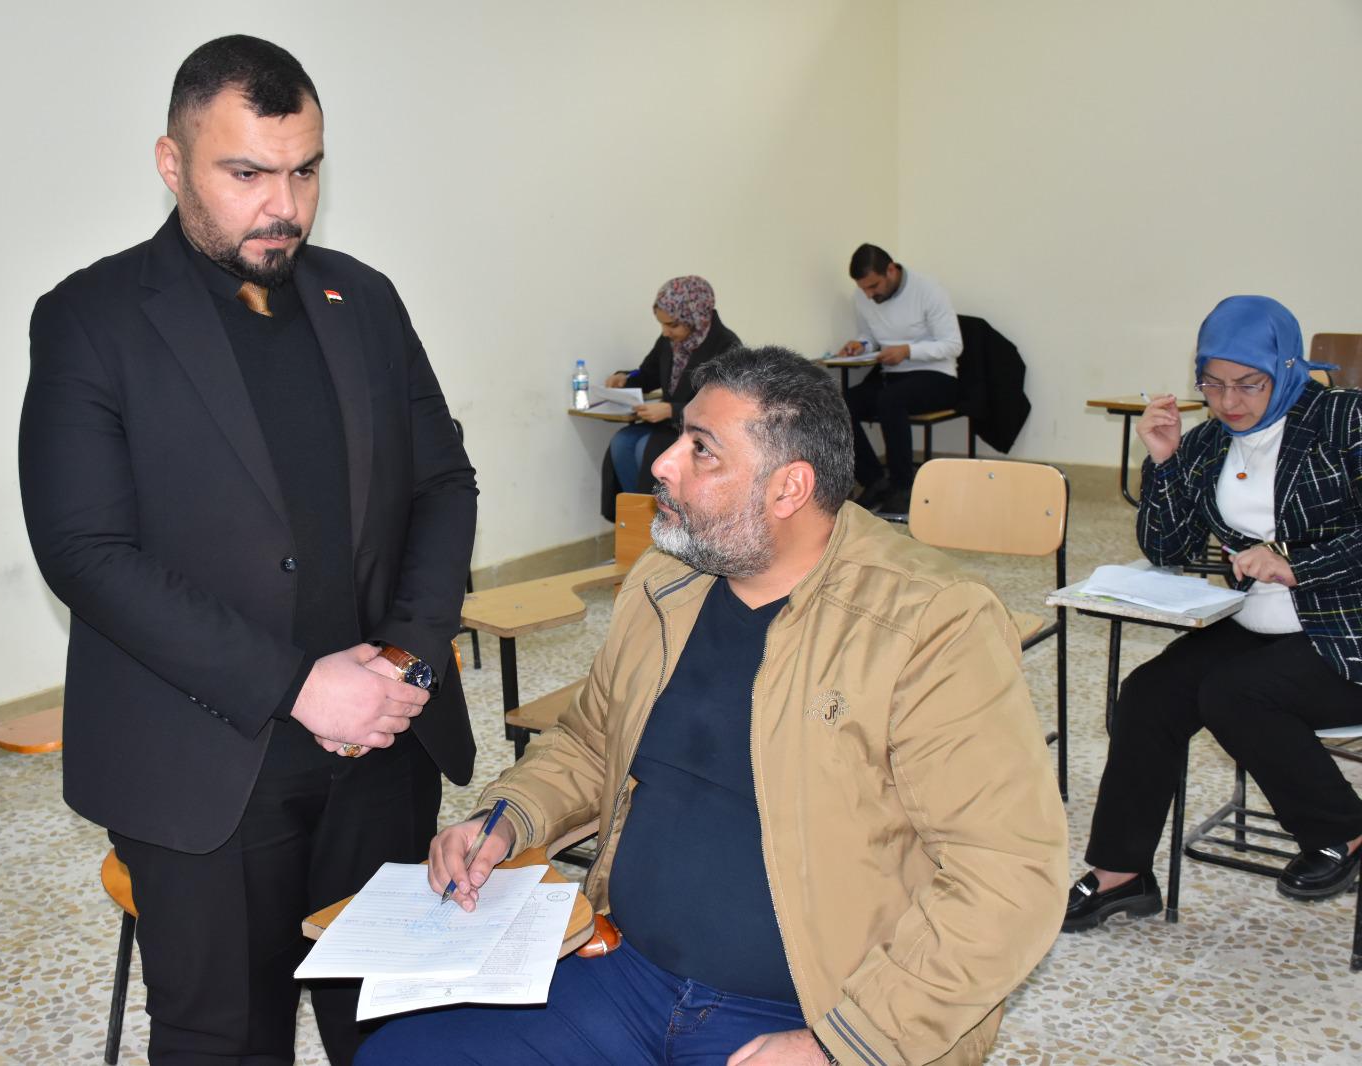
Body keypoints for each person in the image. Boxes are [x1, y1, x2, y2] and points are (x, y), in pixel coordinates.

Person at [359, 346, 1067, 1066]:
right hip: (626, 974)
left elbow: (1008, 876)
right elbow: (591, 741)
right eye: (679, 438)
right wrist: (507, 818)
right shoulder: (667, 581)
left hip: (815, 1011)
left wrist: (838, 1045)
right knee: (398, 1057)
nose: (664, 464)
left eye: (701, 449)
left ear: (788, 489)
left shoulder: (930, 624)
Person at [18, 35, 477, 1066]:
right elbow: (85, 550)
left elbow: (444, 484)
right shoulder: (92, 319)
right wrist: (297, 685)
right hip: (206, 760)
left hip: (381, 742)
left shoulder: (364, 299)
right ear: (171, 163)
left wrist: (405, 654)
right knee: (226, 1038)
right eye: (247, 174)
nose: (285, 205)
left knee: (392, 1025)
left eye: (305, 171)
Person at [1065, 296, 1362, 933]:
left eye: (1249, 384)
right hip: (1261, 626)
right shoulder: (1207, 442)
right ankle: (1122, 873)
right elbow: (1166, 547)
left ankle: (1344, 829)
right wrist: (1164, 461)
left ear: (1286, 368)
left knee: (1235, 693)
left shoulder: (1345, 419)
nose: (1229, 401)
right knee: (1149, 694)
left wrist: (1296, 565)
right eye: (1213, 383)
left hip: (1346, 629)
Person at [834, 243, 962, 515]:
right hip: (891, 375)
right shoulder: (863, 297)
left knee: (891, 400)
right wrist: (861, 345)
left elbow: (953, 345)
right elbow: (870, 336)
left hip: (937, 376)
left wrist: (908, 351)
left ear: (891, 270)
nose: (869, 295)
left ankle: (903, 487)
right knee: (841, 403)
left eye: (874, 286)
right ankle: (874, 480)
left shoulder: (928, 291)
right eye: (863, 289)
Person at [598, 276, 740, 521]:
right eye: (662, 325)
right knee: (621, 442)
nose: (665, 332)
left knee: (644, 448)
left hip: (699, 433)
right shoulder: (669, 342)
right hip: (668, 425)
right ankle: (637, 522)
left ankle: (662, 522)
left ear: (695, 317)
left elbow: (720, 405)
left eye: (672, 325)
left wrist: (671, 410)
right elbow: (646, 373)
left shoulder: (727, 347)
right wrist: (626, 378)